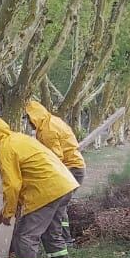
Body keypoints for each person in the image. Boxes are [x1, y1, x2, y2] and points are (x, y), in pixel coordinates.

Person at [0, 115, 80, 258]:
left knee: (25, 236)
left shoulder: (6, 148)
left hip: (46, 191)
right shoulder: (20, 138)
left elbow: (12, 184)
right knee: (52, 235)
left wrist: (8, 211)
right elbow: (27, 173)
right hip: (64, 184)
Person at [24, 100, 86, 242]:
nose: (28, 123)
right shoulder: (50, 122)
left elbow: (55, 158)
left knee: (56, 206)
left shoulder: (48, 130)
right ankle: (64, 238)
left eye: (28, 119)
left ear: (34, 116)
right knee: (60, 206)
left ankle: (57, 240)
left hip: (70, 170)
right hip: (73, 168)